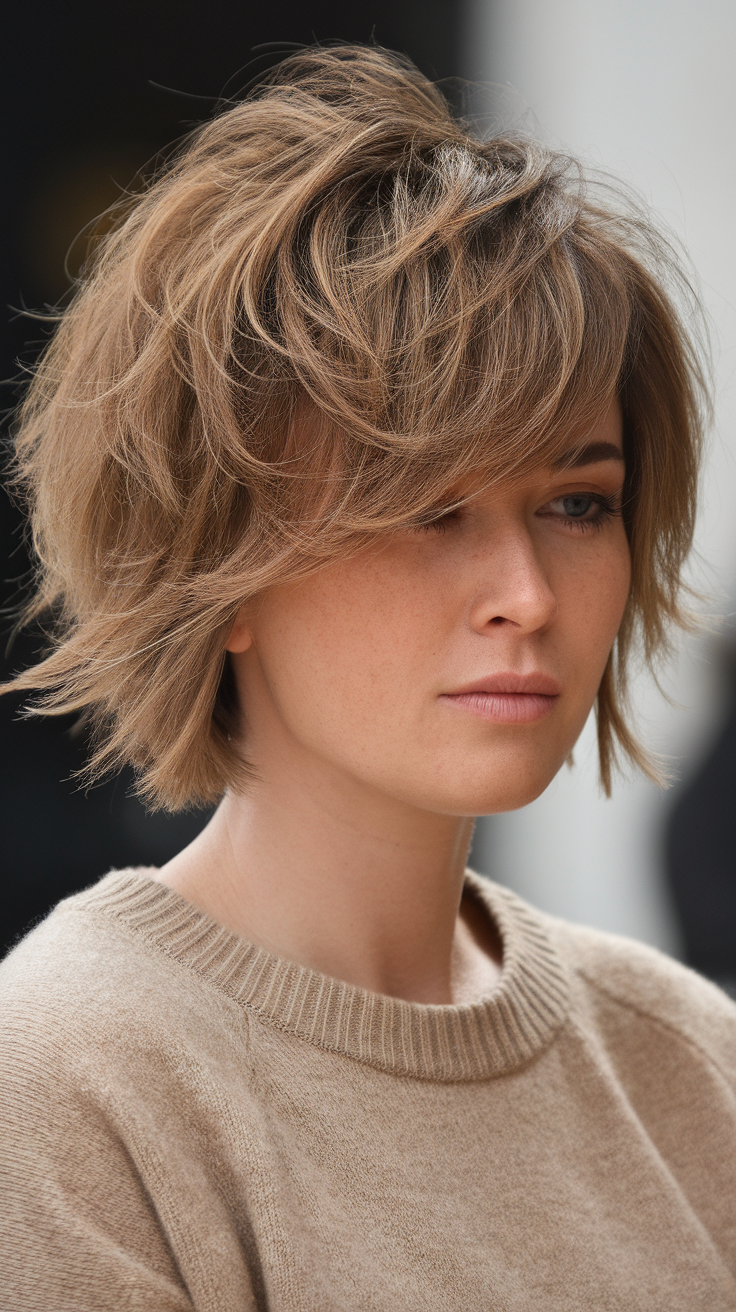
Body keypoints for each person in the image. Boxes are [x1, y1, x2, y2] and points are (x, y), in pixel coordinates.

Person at [2, 42, 735, 1312]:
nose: (526, 591)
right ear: (216, 558)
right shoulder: (69, 1084)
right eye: (425, 509)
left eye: (576, 500)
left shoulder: (688, 1063)